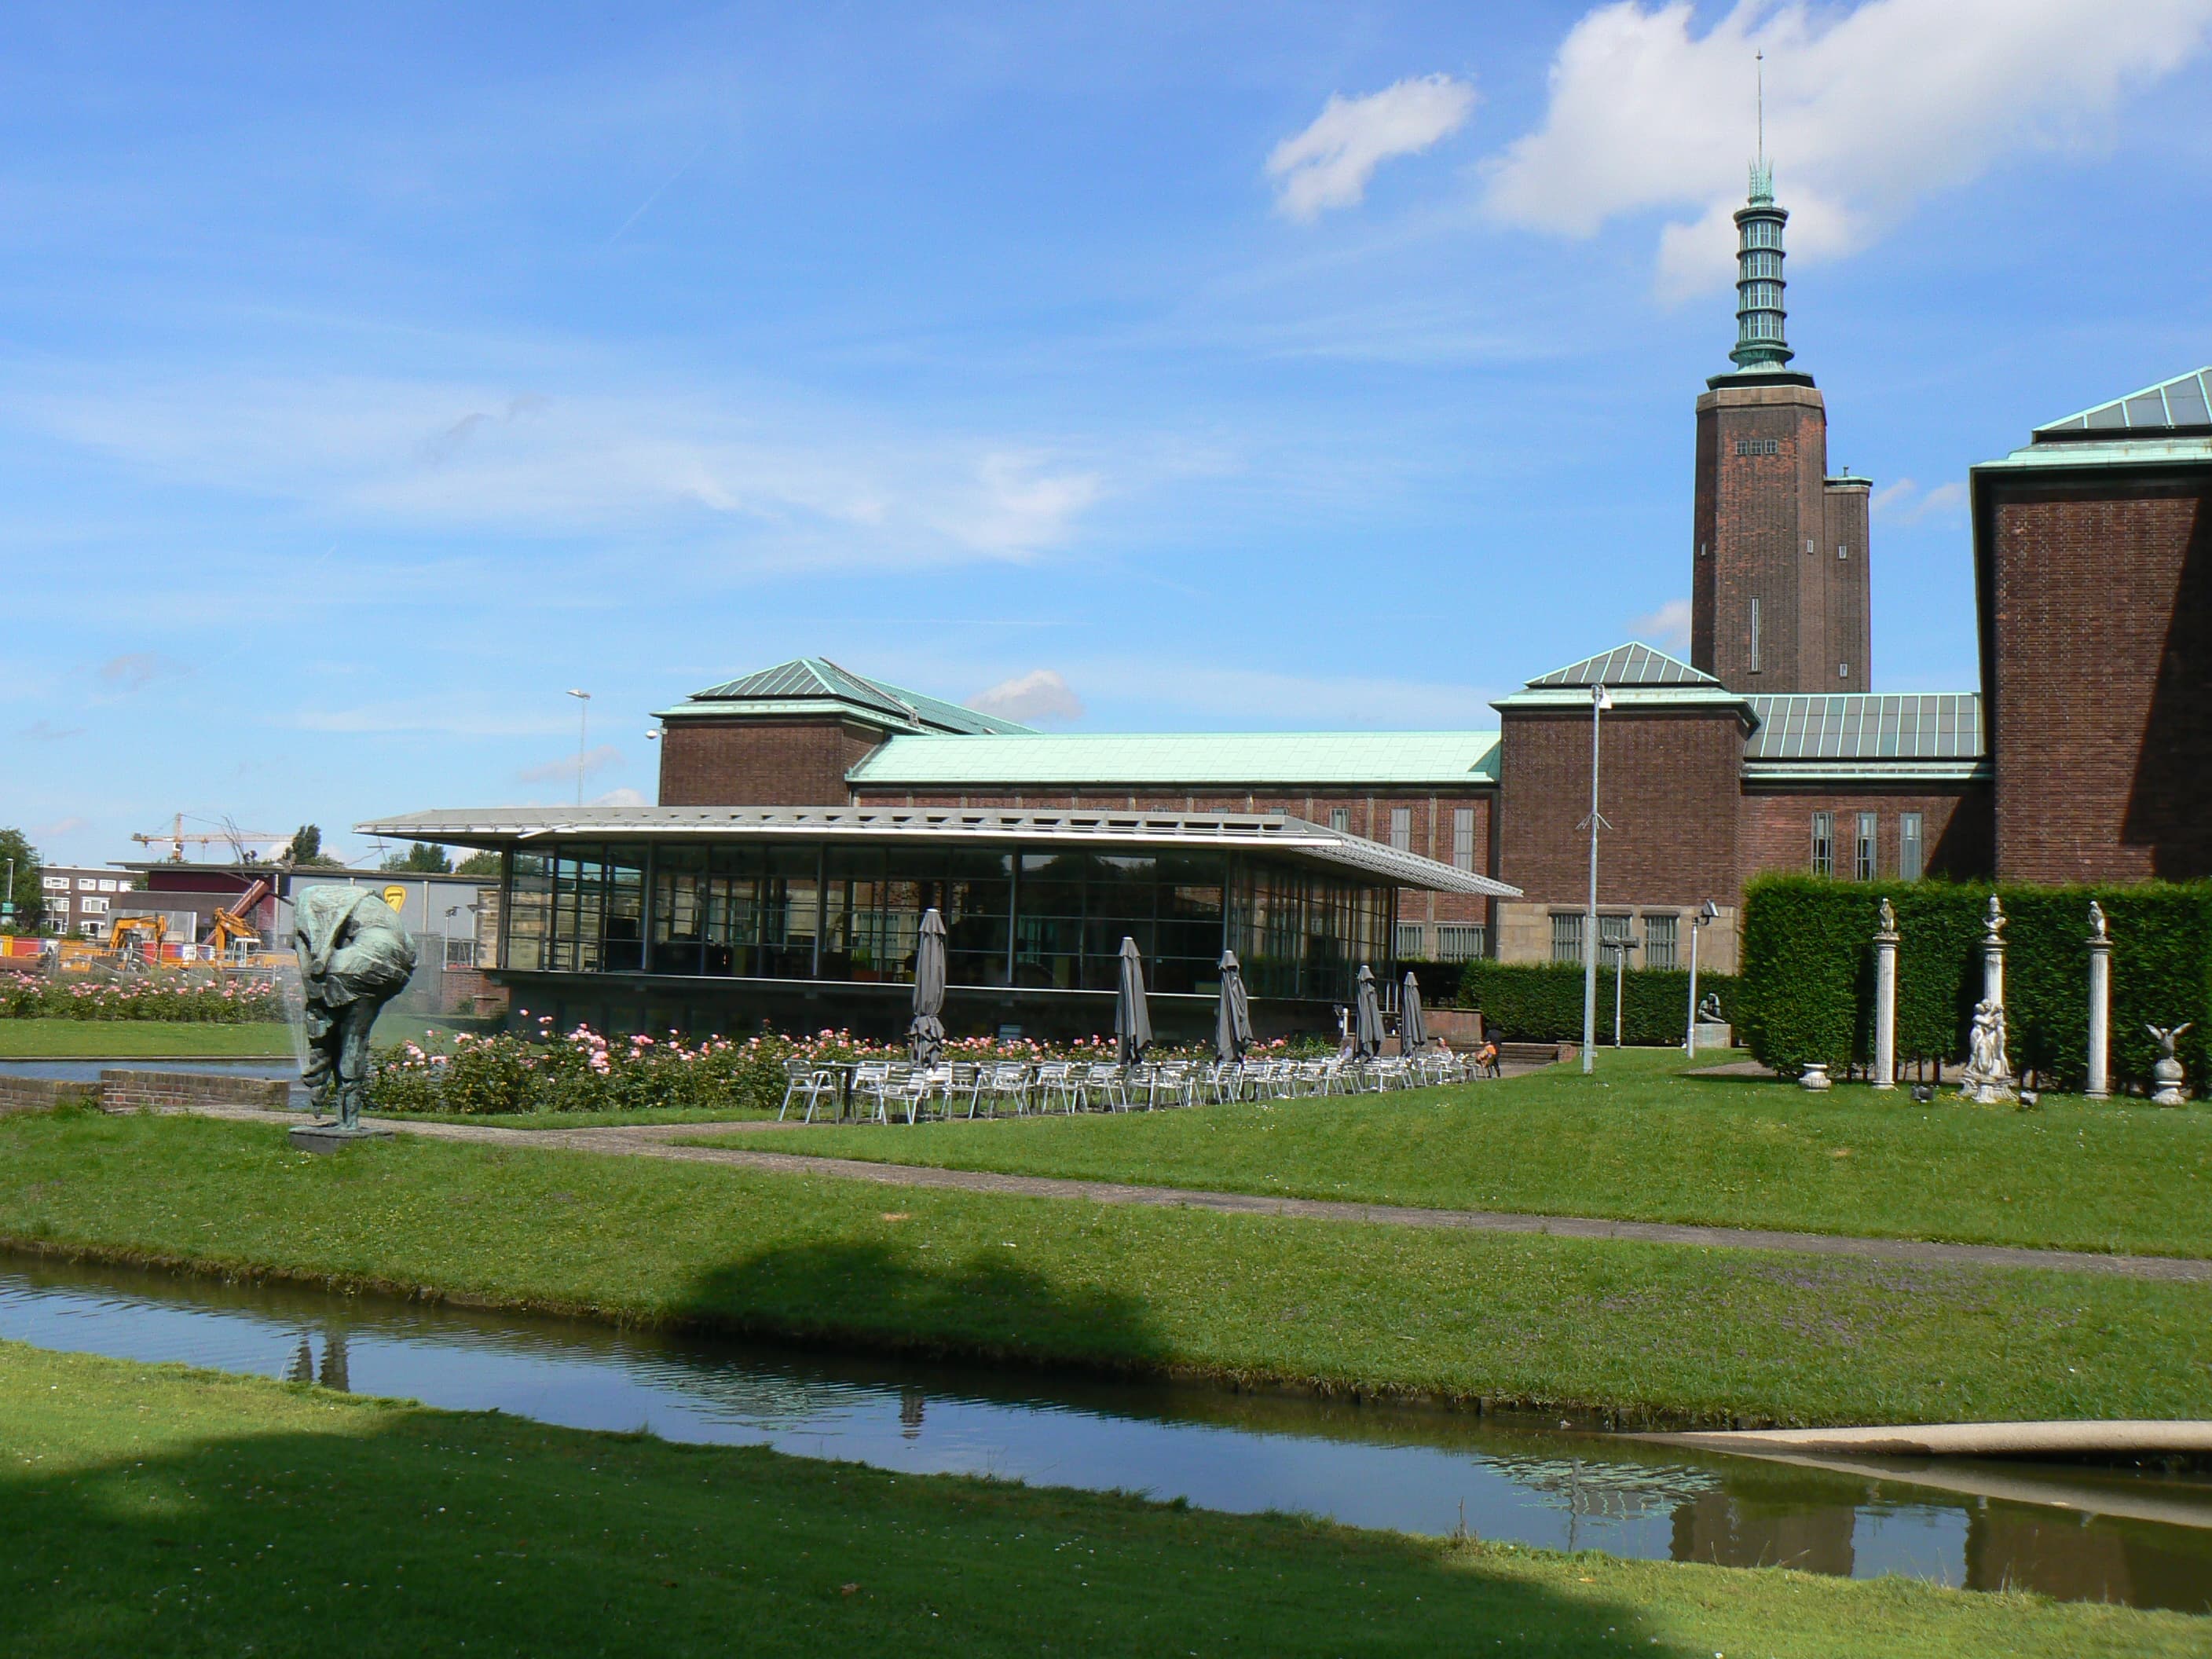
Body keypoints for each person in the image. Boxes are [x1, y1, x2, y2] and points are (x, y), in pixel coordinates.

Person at [295, 886, 418, 1130]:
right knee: (355, 1037)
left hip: (366, 960)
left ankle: (324, 1093)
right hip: (402, 964)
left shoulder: (306, 901)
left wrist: (315, 994)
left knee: (339, 1034)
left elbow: (307, 954)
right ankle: (347, 1118)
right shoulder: (368, 903)